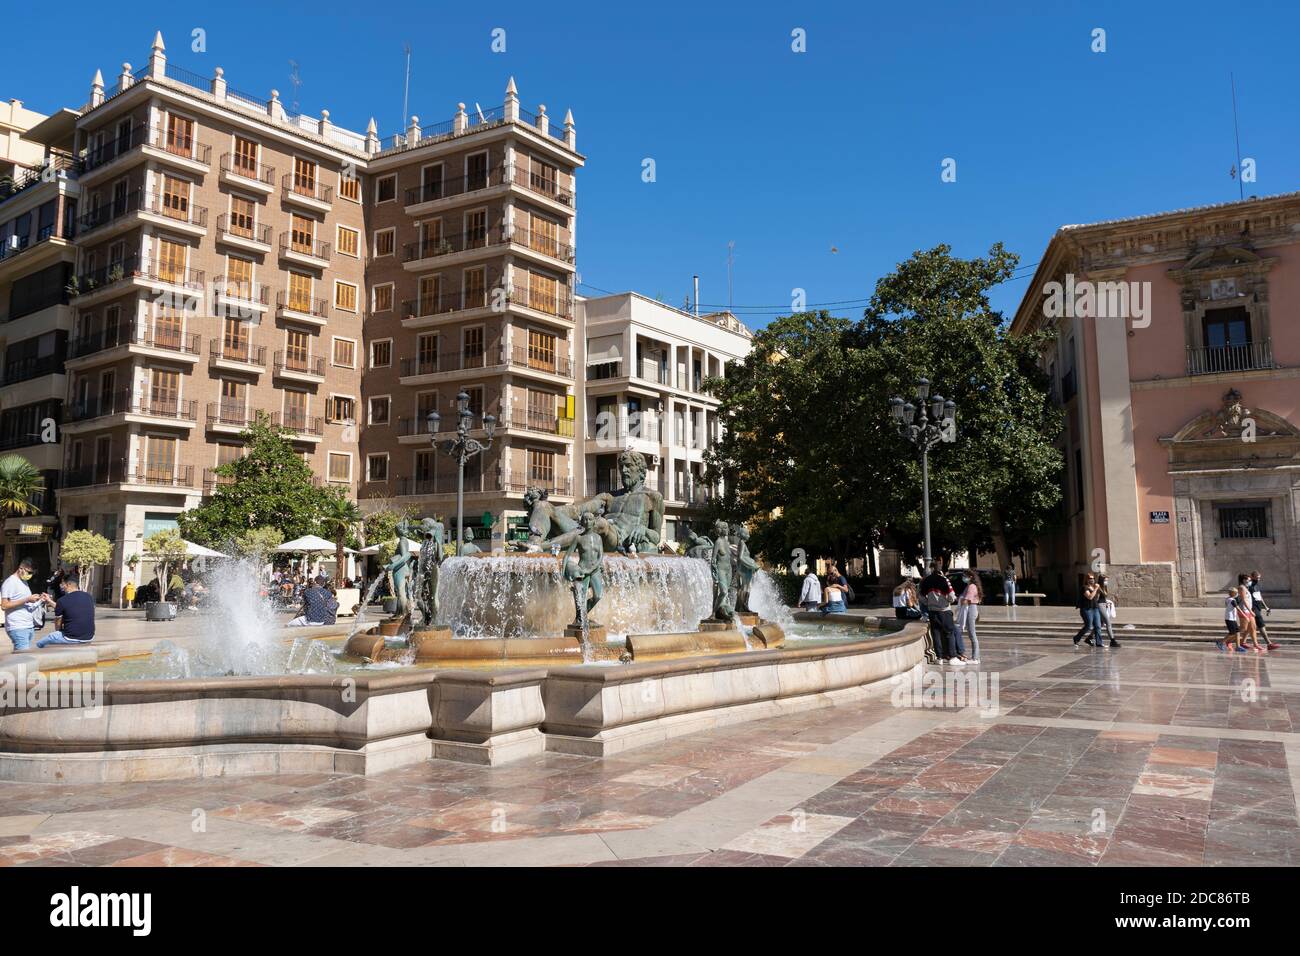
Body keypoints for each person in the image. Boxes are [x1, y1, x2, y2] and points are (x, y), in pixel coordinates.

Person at [920, 562, 964, 664]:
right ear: (941, 570)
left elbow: (921, 595)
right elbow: (952, 596)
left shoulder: (927, 580)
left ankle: (939, 657)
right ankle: (953, 657)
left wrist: (928, 603)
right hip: (944, 611)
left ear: (932, 569)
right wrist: (947, 601)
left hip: (932, 611)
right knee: (949, 633)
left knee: (936, 633)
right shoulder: (944, 580)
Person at [36, 572, 95, 647]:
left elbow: (58, 623)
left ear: (68, 584)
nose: (61, 586)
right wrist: (49, 601)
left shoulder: (62, 600)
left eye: (62, 584)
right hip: (89, 637)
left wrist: (59, 631)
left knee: (41, 643)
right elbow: (67, 607)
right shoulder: (88, 597)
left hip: (70, 638)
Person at [2, 557, 48, 652]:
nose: (30, 575)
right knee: (23, 659)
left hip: (28, 626)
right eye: (29, 572)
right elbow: (4, 605)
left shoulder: (24, 582)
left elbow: (27, 605)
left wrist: (40, 600)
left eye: (32, 573)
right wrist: (27, 599)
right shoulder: (10, 582)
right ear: (21, 568)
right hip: (17, 626)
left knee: (23, 659)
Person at [1249, 571, 1279, 651]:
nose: (1258, 579)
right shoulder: (1249, 585)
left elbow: (1259, 596)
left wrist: (1266, 607)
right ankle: (1269, 643)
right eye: (1257, 577)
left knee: (1248, 627)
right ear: (1252, 577)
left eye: (1259, 577)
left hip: (1258, 607)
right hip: (1253, 608)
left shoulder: (1257, 585)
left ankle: (1240, 642)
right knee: (1261, 624)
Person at [1072, 573, 1104, 647]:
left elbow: (1098, 597)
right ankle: (1076, 638)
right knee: (1088, 626)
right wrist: (1096, 589)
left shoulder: (1094, 588)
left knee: (1098, 626)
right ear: (1086, 579)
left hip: (1095, 608)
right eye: (1090, 578)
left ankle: (1099, 643)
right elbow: (1090, 597)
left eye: (1093, 578)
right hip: (1086, 609)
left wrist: (1099, 589)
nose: (1092, 580)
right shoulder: (1084, 587)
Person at [1236, 573, 1264, 653]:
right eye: (1248, 580)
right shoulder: (1241, 588)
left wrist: (1251, 610)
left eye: (1249, 580)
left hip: (1249, 611)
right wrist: (1251, 610)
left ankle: (1256, 644)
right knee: (1243, 629)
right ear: (1243, 580)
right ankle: (1226, 641)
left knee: (1253, 627)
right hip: (1244, 611)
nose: (1249, 581)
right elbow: (1244, 600)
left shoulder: (1246, 587)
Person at [957, 572, 981, 663]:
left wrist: (960, 600)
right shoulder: (969, 586)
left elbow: (966, 600)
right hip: (970, 609)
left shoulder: (971, 586)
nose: (963, 578)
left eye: (965, 576)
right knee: (971, 634)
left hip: (971, 609)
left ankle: (975, 658)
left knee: (972, 634)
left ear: (970, 577)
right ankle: (976, 657)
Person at [1218, 584, 1245, 653]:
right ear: (1232, 593)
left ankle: (1238, 646)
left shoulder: (1228, 599)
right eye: (1235, 593)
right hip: (1229, 618)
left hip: (1232, 618)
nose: (1236, 594)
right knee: (1232, 633)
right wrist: (1245, 616)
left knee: (1237, 632)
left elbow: (1235, 603)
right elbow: (1238, 608)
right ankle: (1221, 642)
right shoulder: (1232, 600)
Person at [1097, 574, 1120, 649]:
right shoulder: (1098, 587)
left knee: (1100, 624)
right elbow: (1097, 598)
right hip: (1100, 605)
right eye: (1105, 580)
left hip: (1104, 604)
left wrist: (1106, 602)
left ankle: (1090, 637)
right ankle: (1112, 641)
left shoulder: (1104, 587)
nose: (1106, 582)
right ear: (1101, 580)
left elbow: (1104, 596)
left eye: (1107, 580)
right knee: (1108, 622)